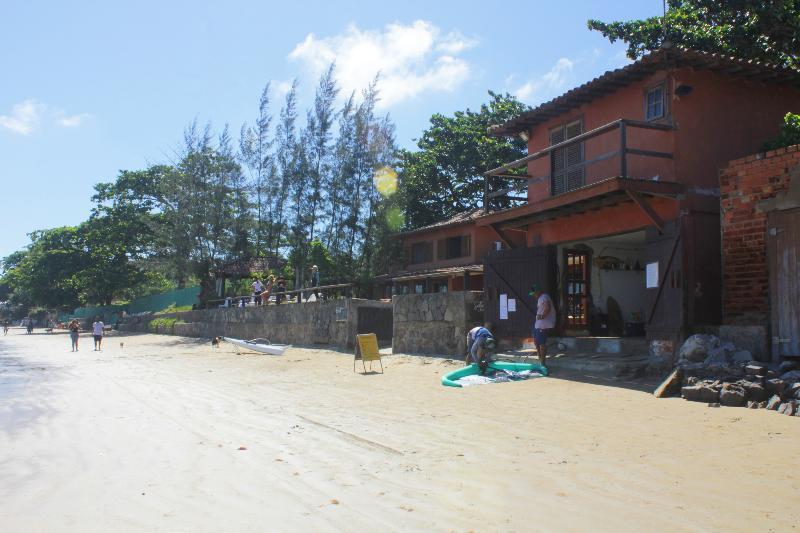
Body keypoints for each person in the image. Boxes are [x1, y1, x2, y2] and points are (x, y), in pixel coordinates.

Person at [529, 283, 556, 367]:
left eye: (534, 294)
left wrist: (542, 316)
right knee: (537, 342)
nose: (534, 296)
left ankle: (542, 363)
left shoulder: (543, 297)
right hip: (539, 324)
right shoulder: (542, 297)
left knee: (541, 343)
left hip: (543, 324)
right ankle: (540, 361)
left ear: (538, 291)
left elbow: (547, 307)